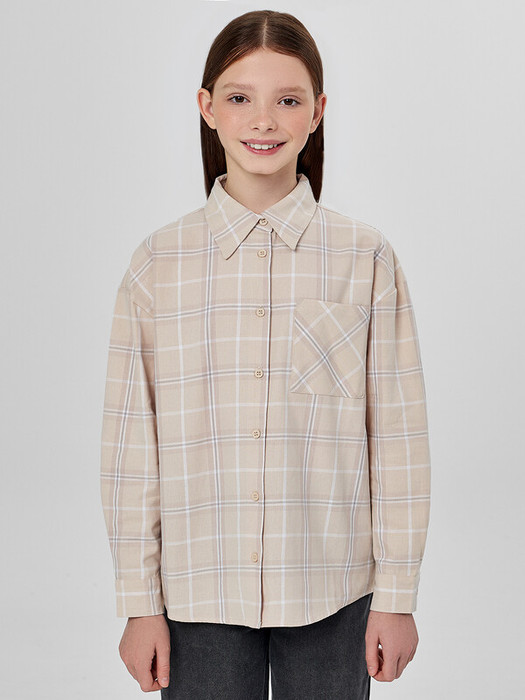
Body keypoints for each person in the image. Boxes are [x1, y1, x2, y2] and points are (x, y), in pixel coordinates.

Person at [100, 9, 431, 699]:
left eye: (287, 100)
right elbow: (131, 449)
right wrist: (139, 602)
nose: (263, 121)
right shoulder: (158, 265)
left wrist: (397, 594)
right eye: (239, 98)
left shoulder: (364, 258)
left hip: (333, 589)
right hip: (198, 593)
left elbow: (397, 437)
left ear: (317, 113)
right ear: (206, 108)